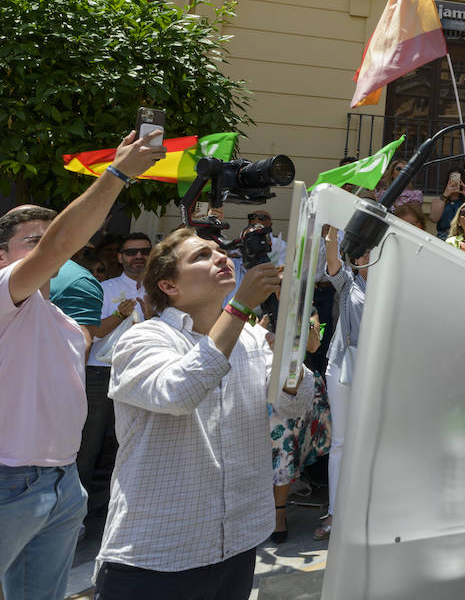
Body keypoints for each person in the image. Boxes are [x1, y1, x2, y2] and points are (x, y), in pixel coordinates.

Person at [0, 130, 163, 600]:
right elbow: (58, 247)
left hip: (63, 483)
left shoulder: (69, 325)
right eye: (35, 241)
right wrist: (117, 175)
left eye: (52, 239)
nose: (52, 247)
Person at [96, 226, 311, 599]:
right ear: (168, 286)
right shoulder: (143, 338)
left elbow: (293, 405)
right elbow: (179, 393)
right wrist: (240, 307)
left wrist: (291, 354)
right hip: (157, 554)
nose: (220, 257)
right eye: (201, 256)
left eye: (219, 251)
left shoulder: (253, 338)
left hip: (237, 543)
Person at [77, 232, 151, 523]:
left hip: (141, 375)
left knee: (127, 447)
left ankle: (114, 515)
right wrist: (121, 315)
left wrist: (155, 315)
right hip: (101, 373)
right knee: (89, 447)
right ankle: (78, 517)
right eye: (131, 252)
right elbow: (92, 332)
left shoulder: (162, 291)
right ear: (120, 257)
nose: (138, 257)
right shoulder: (103, 288)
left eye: (144, 251)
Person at [314, 224, 368, 542]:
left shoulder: (393, 286)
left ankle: (363, 512)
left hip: (375, 368)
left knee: (369, 442)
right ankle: (335, 512)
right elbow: (333, 259)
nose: (366, 254)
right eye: (361, 251)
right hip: (342, 366)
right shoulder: (348, 282)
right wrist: (333, 229)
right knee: (342, 442)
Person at [267, 311, 330, 543]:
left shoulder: (308, 309)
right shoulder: (261, 305)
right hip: (261, 381)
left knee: (283, 445)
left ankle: (279, 514)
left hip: (297, 386)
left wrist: (301, 317)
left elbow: (313, 346)